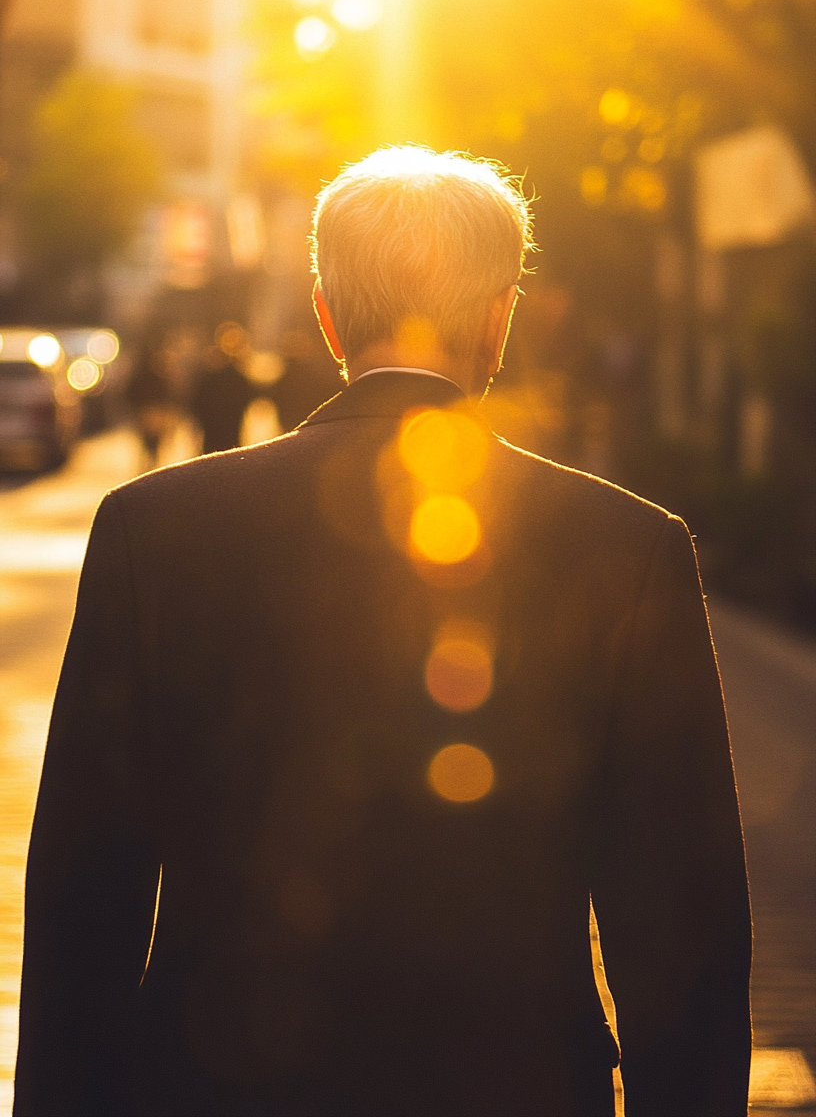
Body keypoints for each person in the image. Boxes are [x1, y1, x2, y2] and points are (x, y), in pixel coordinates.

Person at [14, 146, 751, 1117]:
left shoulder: (154, 531)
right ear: (502, 316)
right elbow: (680, 925)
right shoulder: (631, 548)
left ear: (325, 312)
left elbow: (84, 899)